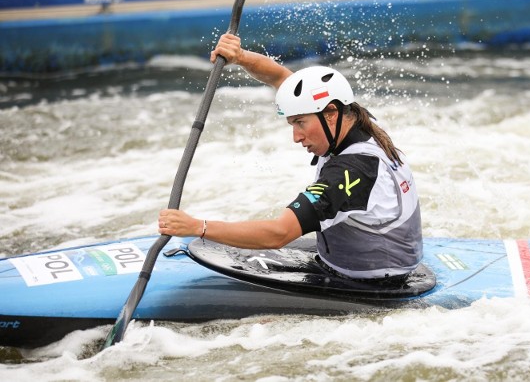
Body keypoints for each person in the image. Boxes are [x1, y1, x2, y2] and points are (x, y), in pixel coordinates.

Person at [158, 34, 423, 281]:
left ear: (330, 113)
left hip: (373, 279)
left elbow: (278, 234)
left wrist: (197, 226)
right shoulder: (354, 118)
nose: (296, 137)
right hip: (387, 255)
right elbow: (280, 77)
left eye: (300, 123)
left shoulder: (351, 171)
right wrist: (239, 56)